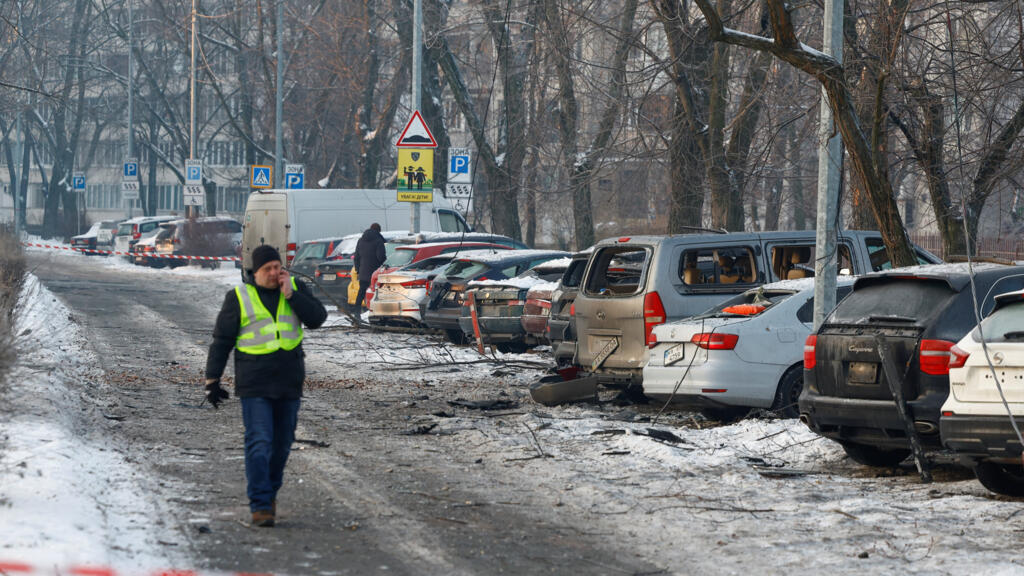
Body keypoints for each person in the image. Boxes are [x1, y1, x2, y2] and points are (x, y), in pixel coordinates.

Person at [203, 244, 327, 527]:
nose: (274, 273)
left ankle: (269, 492)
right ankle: (260, 505)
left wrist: (292, 295)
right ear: (254, 273)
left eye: (277, 267)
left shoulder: (294, 288)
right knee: (260, 442)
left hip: (289, 382)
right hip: (254, 384)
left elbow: (318, 319)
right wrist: (212, 380)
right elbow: (221, 341)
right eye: (267, 269)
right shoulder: (238, 296)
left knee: (282, 446)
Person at [353, 222, 386, 311]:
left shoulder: (361, 240)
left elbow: (356, 257)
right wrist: (385, 264)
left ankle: (356, 313)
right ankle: (373, 311)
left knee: (361, 293)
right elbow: (381, 257)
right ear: (379, 231)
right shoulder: (379, 240)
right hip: (375, 273)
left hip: (363, 272)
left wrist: (358, 270)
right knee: (376, 294)